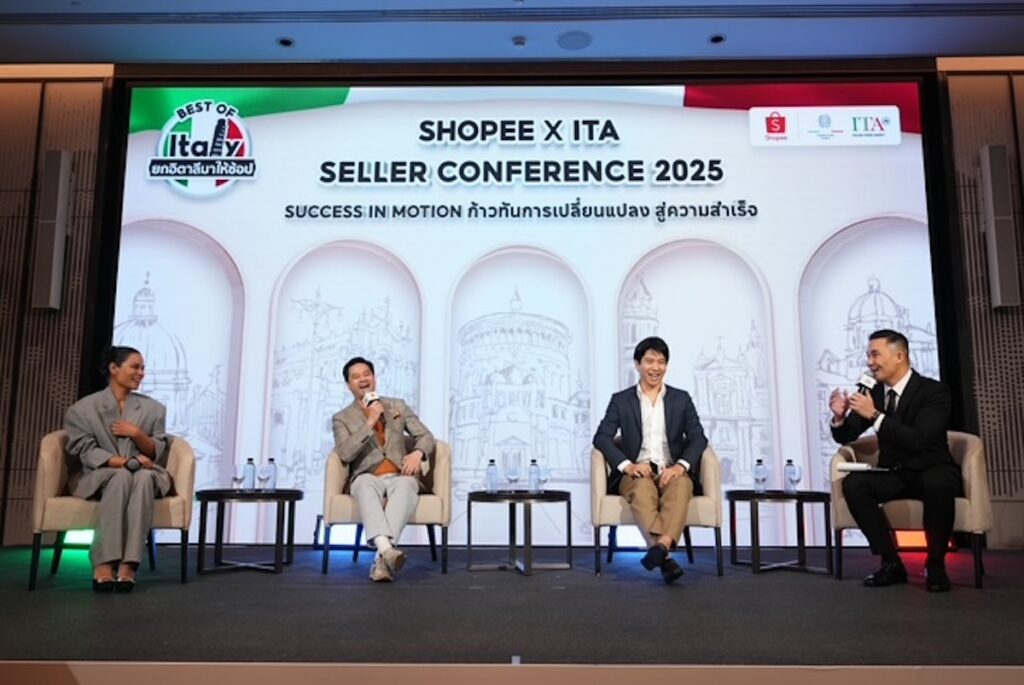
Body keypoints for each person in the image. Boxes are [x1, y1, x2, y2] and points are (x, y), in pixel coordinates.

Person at [830, 329, 963, 592]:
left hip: (931, 467)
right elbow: (846, 435)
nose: (870, 362)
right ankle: (891, 562)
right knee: (855, 484)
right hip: (896, 473)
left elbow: (919, 440)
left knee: (938, 483)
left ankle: (935, 564)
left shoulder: (934, 391)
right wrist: (839, 417)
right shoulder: (876, 393)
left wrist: (875, 416)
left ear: (899, 356)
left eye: (875, 355)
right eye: (868, 355)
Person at [593, 336, 708, 584]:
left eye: (661, 362)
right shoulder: (621, 400)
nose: (655, 367)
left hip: (671, 469)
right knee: (642, 490)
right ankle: (665, 553)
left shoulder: (681, 399)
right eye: (649, 361)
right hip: (637, 472)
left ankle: (660, 548)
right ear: (638, 364)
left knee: (681, 486)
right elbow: (601, 437)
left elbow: (698, 438)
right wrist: (628, 466)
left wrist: (680, 466)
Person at [64, 346, 172, 593]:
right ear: (113, 368)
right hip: (99, 474)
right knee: (121, 476)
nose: (141, 373)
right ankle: (104, 561)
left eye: (143, 368)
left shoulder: (154, 409)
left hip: (145, 471)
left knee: (143, 479)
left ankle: (129, 564)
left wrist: (136, 433)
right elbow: (85, 450)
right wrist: (124, 462)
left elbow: (155, 451)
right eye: (135, 367)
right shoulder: (83, 409)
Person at [332, 356, 435, 582]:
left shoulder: (397, 406)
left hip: (400, 474)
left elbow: (426, 436)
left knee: (406, 485)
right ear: (348, 385)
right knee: (365, 484)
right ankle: (387, 552)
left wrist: (418, 453)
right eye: (356, 377)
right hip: (366, 476)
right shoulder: (341, 418)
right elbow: (345, 453)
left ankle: (382, 557)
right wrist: (370, 421)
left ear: (374, 378)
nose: (363, 379)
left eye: (366, 374)